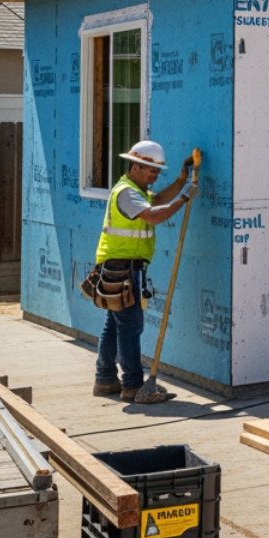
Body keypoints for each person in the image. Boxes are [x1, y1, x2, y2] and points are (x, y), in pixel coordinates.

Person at [92, 140, 197, 403]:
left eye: (158, 171)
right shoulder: (126, 193)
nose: (155, 175)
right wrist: (185, 197)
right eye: (151, 170)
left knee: (114, 326)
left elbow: (159, 199)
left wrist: (182, 179)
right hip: (121, 268)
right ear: (135, 165)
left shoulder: (136, 190)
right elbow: (154, 215)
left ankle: (105, 379)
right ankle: (133, 386)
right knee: (130, 327)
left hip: (119, 266)